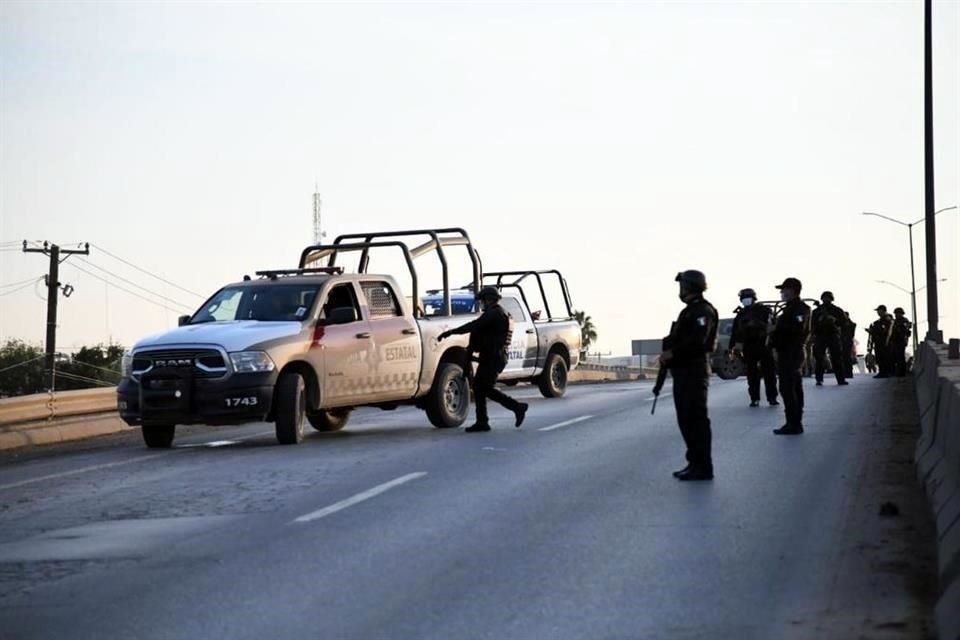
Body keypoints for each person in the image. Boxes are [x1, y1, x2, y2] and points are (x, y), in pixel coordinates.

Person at [438, 286, 528, 432]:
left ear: (489, 300)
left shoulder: (495, 313)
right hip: (492, 357)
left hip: (493, 357)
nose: (482, 304)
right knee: (480, 388)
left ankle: (516, 407)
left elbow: (474, 325)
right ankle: (483, 421)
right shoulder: (499, 313)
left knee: (485, 388)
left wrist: (452, 332)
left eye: (483, 301)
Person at [660, 270, 719, 481]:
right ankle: (694, 462)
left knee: (696, 419)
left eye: (683, 286)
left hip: (694, 372)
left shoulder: (703, 311)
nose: (681, 290)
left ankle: (703, 466)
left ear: (691, 286)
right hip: (683, 372)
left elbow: (698, 342)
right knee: (686, 419)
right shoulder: (689, 311)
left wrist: (673, 353)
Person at [769, 277, 811, 435]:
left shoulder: (800, 308)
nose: (782, 292)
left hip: (792, 351)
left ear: (793, 290)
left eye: (784, 289)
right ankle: (793, 422)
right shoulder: (789, 309)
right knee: (790, 387)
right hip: (786, 351)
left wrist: (775, 329)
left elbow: (798, 330)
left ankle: (794, 423)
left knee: (789, 388)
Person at [729, 287, 778, 407]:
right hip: (749, 346)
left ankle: (772, 397)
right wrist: (732, 347)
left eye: (748, 297)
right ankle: (754, 398)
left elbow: (772, 326)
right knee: (752, 374)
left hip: (764, 344)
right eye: (744, 298)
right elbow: (735, 332)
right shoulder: (741, 314)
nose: (746, 300)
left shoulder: (764, 310)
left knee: (769, 373)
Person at [811, 291, 849, 386]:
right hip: (820, 335)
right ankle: (819, 379)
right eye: (824, 298)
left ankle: (841, 379)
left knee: (836, 358)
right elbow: (811, 324)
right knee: (819, 358)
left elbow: (844, 322)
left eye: (828, 298)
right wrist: (819, 321)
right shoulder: (817, 311)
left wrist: (835, 320)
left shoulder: (837, 310)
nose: (826, 300)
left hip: (832, 335)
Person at [867, 305, 894, 379]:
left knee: (884, 358)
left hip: (884, 342)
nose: (878, 312)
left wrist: (874, 331)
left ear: (883, 310)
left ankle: (885, 372)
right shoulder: (880, 321)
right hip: (879, 342)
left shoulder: (887, 320)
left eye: (879, 311)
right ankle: (882, 372)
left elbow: (886, 331)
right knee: (880, 358)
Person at [890, 307, 912, 377]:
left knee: (900, 357)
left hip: (901, 341)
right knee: (895, 356)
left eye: (897, 313)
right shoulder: (895, 321)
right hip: (895, 341)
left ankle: (902, 372)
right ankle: (897, 371)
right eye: (896, 314)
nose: (896, 315)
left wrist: (899, 329)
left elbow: (906, 331)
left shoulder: (904, 321)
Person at [841, 311, 857, 379]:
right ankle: (846, 372)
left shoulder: (851, 324)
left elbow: (851, 334)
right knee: (844, 357)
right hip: (844, 341)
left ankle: (849, 372)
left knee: (847, 357)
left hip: (847, 341)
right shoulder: (845, 323)